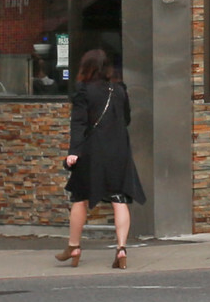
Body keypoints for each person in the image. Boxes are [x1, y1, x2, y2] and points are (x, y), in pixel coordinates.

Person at [58, 49, 145, 270]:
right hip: (119, 149)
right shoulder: (119, 90)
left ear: (86, 67)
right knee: (119, 197)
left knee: (80, 197)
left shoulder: (83, 91)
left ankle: (74, 246)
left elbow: (79, 124)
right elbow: (126, 119)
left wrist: (73, 152)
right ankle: (121, 249)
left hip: (92, 150)